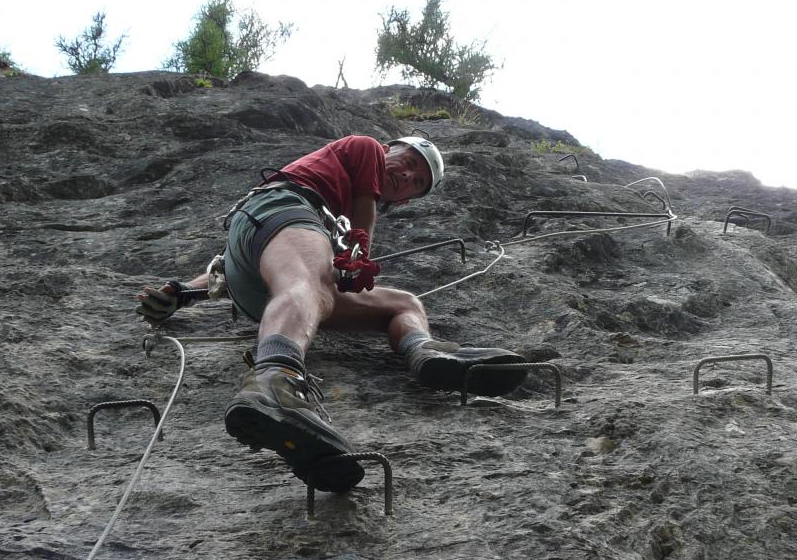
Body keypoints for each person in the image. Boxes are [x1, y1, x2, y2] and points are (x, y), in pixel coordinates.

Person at [136, 134, 527, 492]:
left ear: (406, 201)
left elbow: (241, 265)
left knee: (402, 303)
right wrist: (359, 253)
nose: (406, 174)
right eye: (407, 161)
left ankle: (425, 352)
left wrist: (184, 293)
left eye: (416, 182)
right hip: (281, 208)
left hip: (255, 275)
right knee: (309, 283)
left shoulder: (326, 228)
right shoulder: (365, 148)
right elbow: (357, 216)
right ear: (389, 150)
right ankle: (275, 382)